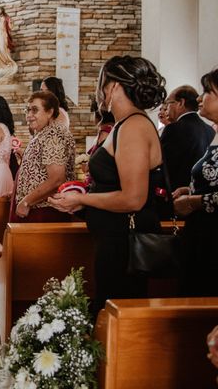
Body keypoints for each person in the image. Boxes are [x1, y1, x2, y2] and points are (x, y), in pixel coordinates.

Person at [49, 55, 167, 315]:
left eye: (102, 83)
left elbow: (133, 198)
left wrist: (82, 200)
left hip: (124, 243)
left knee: (116, 314)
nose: (99, 90)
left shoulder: (134, 127)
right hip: (113, 236)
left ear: (114, 86)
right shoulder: (122, 125)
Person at [172, 68, 218, 297]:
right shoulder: (213, 131)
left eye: (208, 92)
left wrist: (194, 201)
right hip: (200, 232)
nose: (200, 98)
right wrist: (189, 189)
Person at [11, 91, 75, 223]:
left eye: (34, 110)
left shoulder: (54, 134)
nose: (29, 115)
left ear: (50, 112)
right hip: (36, 208)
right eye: (27, 110)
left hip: (44, 210)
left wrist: (26, 202)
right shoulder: (44, 133)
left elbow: (57, 179)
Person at [160, 85, 215, 191]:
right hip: (200, 191)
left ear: (181, 103)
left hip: (177, 193)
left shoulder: (174, 128)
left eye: (168, 103)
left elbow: (164, 166)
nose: (166, 108)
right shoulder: (210, 130)